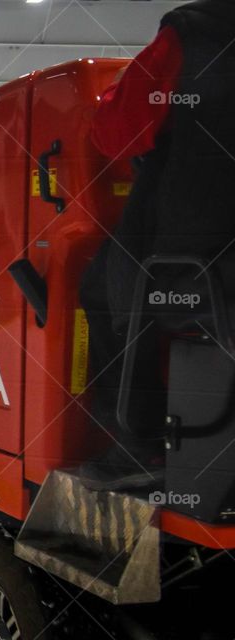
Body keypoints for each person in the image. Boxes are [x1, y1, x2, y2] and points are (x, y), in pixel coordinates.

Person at [78, 0, 235, 490]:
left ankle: (137, 439)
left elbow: (117, 134)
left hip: (200, 255)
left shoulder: (195, 32)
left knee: (106, 289)